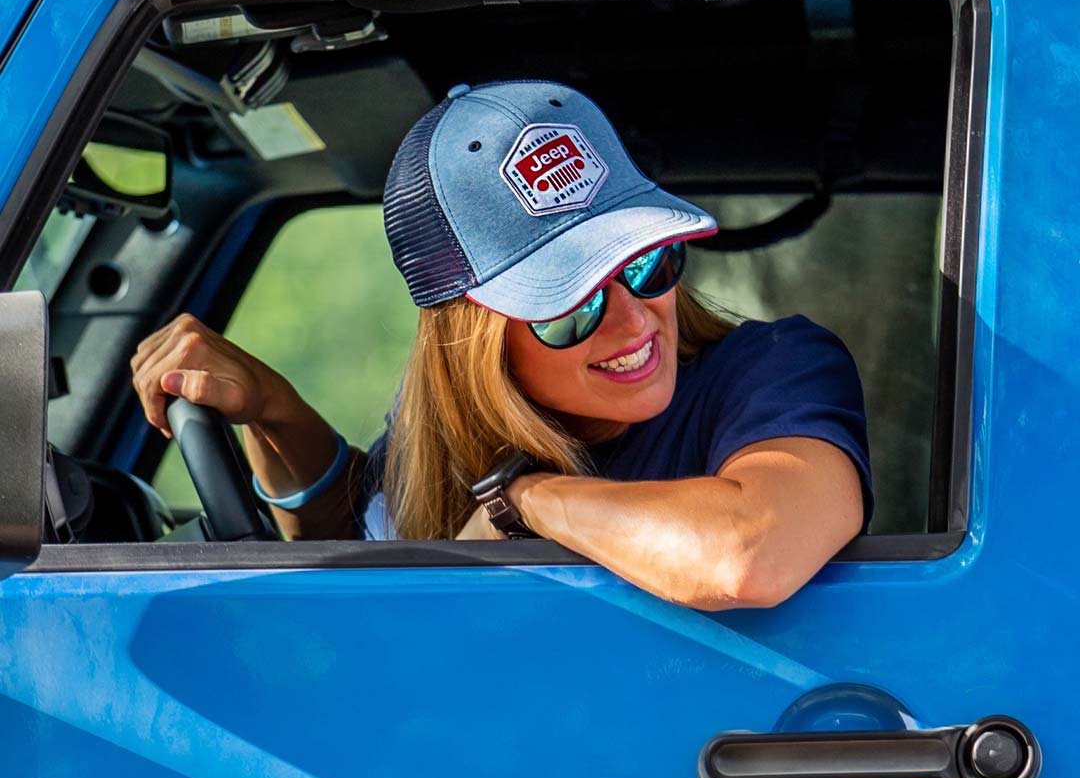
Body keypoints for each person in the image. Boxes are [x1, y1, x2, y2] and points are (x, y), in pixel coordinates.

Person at [131, 80, 871, 610]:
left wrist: (521, 501)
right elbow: (369, 540)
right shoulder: (455, 434)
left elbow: (748, 554)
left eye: (647, 264)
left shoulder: (774, 370)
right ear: (477, 342)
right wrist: (272, 409)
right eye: (572, 302)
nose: (634, 321)